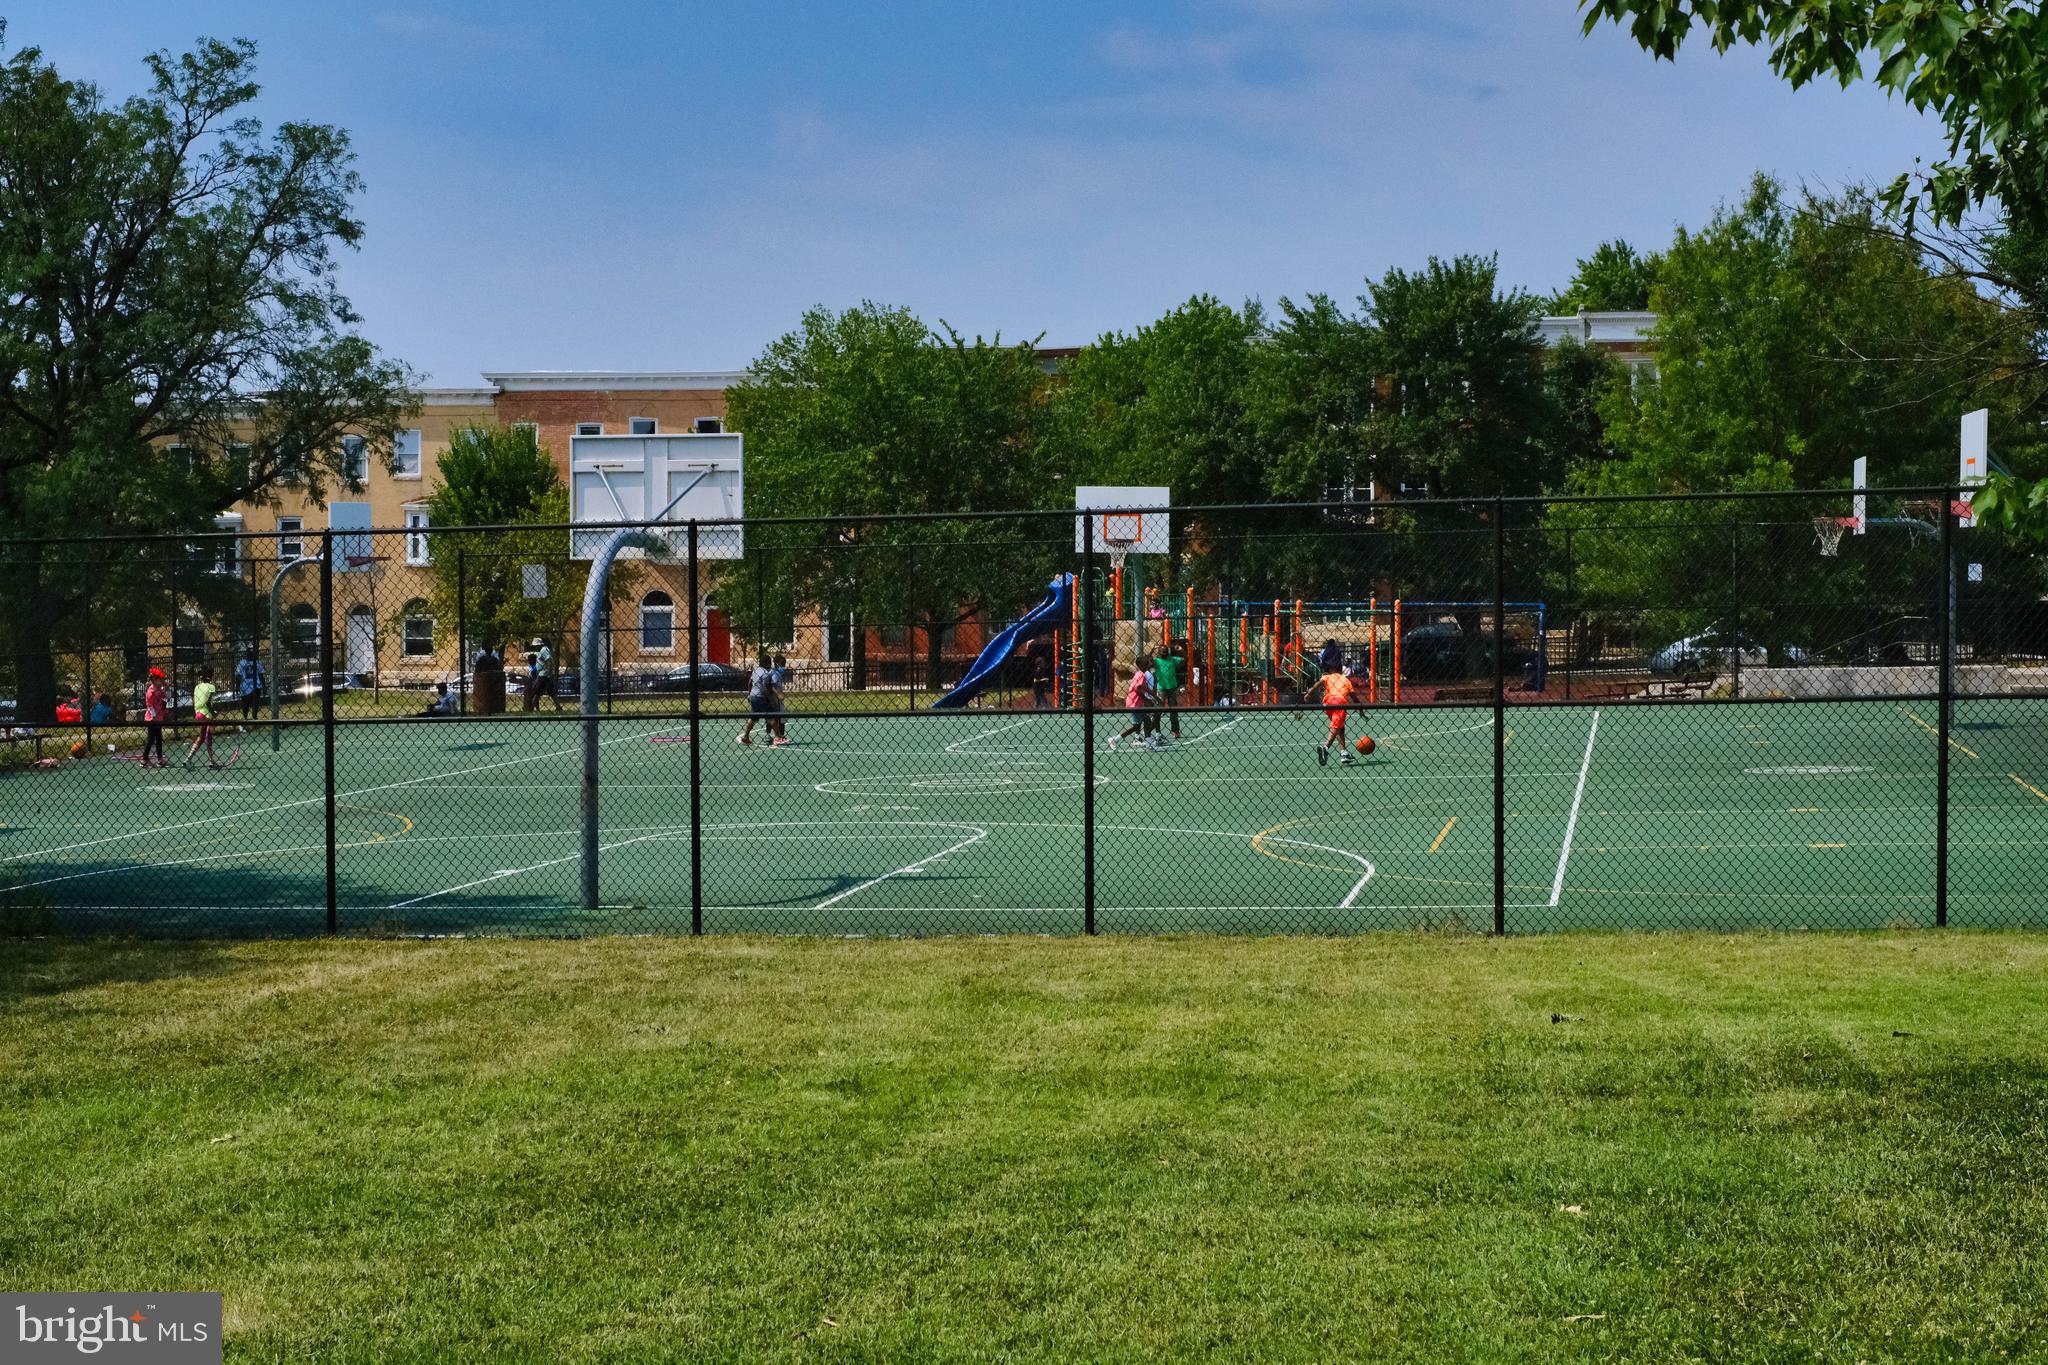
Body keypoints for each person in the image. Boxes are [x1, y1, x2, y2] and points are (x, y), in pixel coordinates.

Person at [1108, 654, 1159, 752]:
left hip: (1138, 703)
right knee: (1136, 726)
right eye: (1146, 664)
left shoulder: (1142, 675)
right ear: (1140, 665)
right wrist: (1147, 700)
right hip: (1135, 703)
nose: (1148, 665)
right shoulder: (1140, 675)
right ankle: (1114, 739)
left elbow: (1144, 688)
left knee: (1147, 720)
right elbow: (1138, 689)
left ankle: (1148, 743)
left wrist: (1153, 696)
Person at [1314, 663, 1359, 768]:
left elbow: (1317, 685)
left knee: (1340, 727)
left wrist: (1308, 694)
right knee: (1336, 726)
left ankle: (1344, 753)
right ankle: (1325, 747)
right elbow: (1354, 697)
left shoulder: (1327, 677)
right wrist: (1360, 709)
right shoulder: (1345, 680)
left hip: (1327, 704)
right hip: (1339, 703)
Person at [183, 667, 222, 769]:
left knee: (201, 737)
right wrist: (213, 713)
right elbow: (208, 702)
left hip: (198, 713)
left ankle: (188, 759)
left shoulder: (197, 687)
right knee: (208, 736)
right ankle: (211, 761)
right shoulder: (211, 687)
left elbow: (195, 701)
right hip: (206, 713)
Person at [738, 650, 778, 745]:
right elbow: (764, 689)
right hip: (760, 697)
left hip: (753, 696)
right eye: (769, 662)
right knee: (771, 716)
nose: (770, 664)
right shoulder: (766, 674)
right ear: (767, 663)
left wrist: (750, 693)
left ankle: (745, 736)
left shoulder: (756, 671)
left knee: (753, 717)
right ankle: (778, 736)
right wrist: (769, 699)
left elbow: (749, 683)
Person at [1151, 644, 1184, 740]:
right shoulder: (1156, 661)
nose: (1164, 654)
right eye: (1162, 652)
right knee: (1158, 710)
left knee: (1173, 711)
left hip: (1172, 688)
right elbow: (1148, 660)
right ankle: (1153, 729)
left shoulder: (1172, 659)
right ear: (1159, 653)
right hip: (1161, 688)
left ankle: (1175, 730)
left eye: (1166, 652)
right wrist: (1152, 651)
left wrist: (1181, 651)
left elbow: (1184, 659)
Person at [141, 668, 168, 768]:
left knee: (159, 739)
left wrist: (166, 688)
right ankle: (144, 759)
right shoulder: (151, 691)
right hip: (152, 719)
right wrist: (155, 716)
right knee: (151, 739)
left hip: (159, 718)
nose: (161, 682)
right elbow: (150, 706)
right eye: (159, 680)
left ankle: (160, 759)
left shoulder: (159, 690)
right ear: (154, 680)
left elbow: (166, 696)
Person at [768, 653, 792, 745]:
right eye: (782, 665)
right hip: (774, 699)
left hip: (775, 699)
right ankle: (778, 735)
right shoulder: (774, 674)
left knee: (778, 717)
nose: (784, 667)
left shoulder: (776, 673)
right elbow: (772, 686)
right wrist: (779, 694)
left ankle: (779, 735)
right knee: (778, 717)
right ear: (777, 664)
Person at [234, 648, 265, 720]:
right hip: (255, 685)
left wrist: (237, 687)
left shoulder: (242, 663)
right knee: (254, 703)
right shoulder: (257, 662)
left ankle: (246, 717)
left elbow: (238, 675)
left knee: (246, 703)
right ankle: (253, 717)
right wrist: (263, 686)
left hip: (246, 686)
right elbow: (261, 675)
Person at [1026, 636, 1054, 710]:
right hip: (1037, 686)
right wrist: (1044, 679)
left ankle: (1036, 708)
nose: (1044, 663)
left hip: (1040, 686)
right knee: (1041, 696)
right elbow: (1035, 680)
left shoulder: (1042, 669)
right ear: (1039, 663)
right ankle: (1046, 707)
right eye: (1042, 662)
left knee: (1038, 699)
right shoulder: (1038, 670)